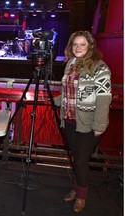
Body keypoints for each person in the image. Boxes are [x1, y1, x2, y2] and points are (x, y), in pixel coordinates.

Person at [53, 31, 112, 213]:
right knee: (76, 158)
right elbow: (69, 93)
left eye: (82, 44)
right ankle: (76, 187)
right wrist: (54, 100)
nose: (78, 48)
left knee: (80, 161)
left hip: (89, 121)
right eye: (75, 44)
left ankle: (81, 196)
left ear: (90, 47)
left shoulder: (99, 67)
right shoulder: (70, 65)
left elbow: (104, 98)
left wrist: (100, 125)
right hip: (70, 120)